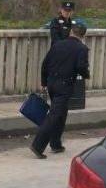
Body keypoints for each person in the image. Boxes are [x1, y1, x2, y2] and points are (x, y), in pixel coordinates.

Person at [30, 24, 90, 159]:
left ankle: (56, 144)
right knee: (55, 115)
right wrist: (86, 75)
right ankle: (37, 145)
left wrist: (44, 82)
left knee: (61, 114)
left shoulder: (57, 45)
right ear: (83, 35)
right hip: (64, 85)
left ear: (71, 32)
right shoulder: (82, 48)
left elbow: (45, 64)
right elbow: (81, 67)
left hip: (51, 83)